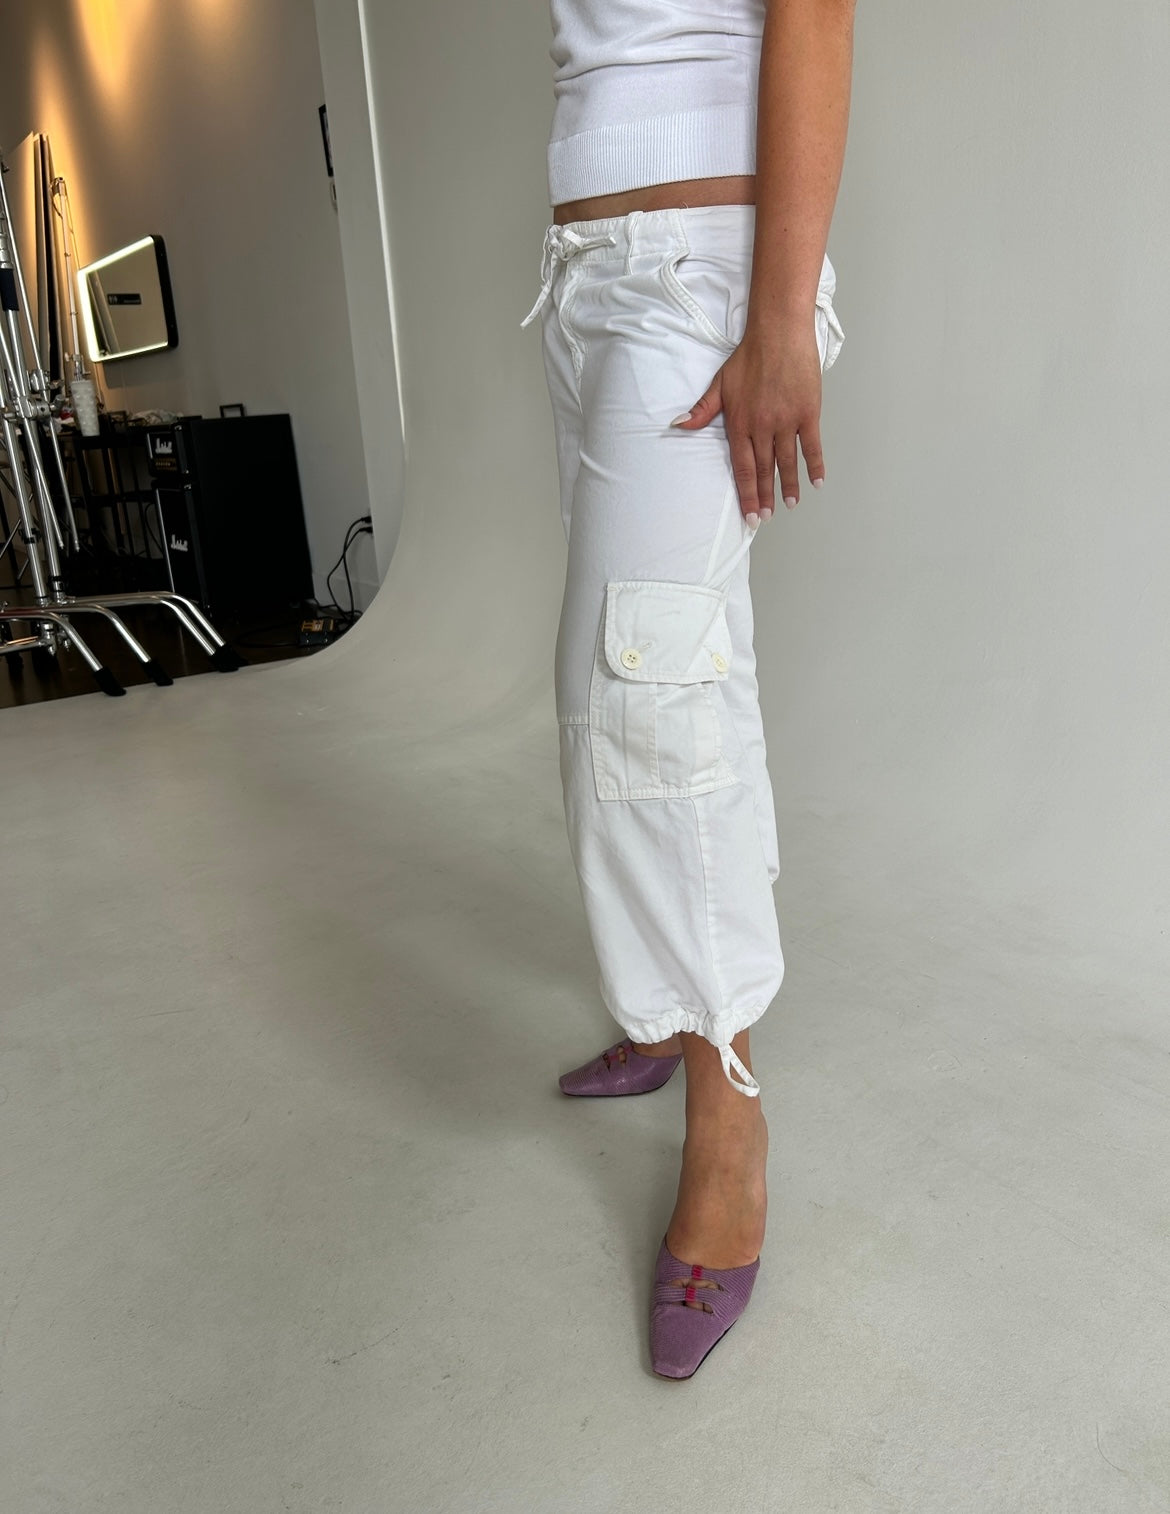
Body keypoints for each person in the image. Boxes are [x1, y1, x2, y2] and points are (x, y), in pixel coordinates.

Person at [520, 0, 855, 1378]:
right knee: (676, 671)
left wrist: (779, 314)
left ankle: (729, 1124)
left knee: (646, 700)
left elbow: (815, 13)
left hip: (700, 272)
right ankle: (661, 1014)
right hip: (586, 275)